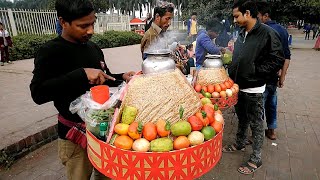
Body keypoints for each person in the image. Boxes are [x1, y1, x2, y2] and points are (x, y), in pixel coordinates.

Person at [29, 0, 135, 179]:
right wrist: (81, 74)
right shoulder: (50, 52)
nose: (91, 31)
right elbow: (38, 93)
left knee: (108, 175)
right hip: (74, 137)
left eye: (92, 23)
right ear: (63, 22)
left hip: (103, 133)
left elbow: (104, 79)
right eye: (83, 26)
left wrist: (121, 77)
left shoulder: (93, 48)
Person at [223, 1, 284, 175]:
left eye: (236, 16)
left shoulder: (267, 33)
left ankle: (256, 158)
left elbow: (277, 59)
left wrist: (256, 72)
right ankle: (240, 142)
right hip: (237, 86)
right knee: (242, 118)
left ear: (247, 13)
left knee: (256, 124)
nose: (234, 20)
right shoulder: (242, 33)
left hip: (254, 88)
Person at [256, 1, 291, 140]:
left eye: (257, 15)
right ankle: (271, 131)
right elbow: (286, 56)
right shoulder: (282, 30)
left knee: (259, 107)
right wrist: (282, 77)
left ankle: (256, 134)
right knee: (271, 103)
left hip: (261, 77)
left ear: (265, 16)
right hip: (273, 77)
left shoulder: (261, 30)